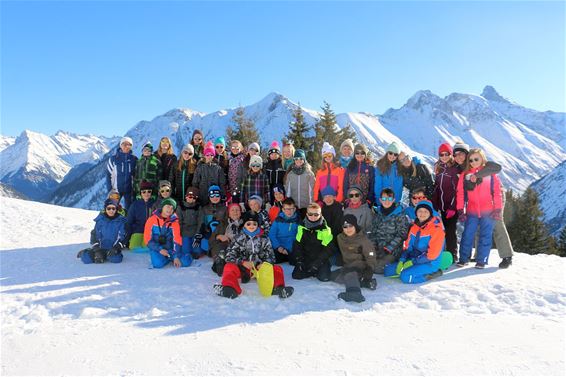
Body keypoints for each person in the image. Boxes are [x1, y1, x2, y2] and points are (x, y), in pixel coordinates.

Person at [453, 141, 514, 269]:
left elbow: (496, 168)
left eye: (462, 153)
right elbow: (461, 192)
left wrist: (477, 175)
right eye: (456, 154)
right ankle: (476, 256)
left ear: (467, 153)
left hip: (492, 200)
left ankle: (506, 256)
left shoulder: (483, 165)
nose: (459, 157)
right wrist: (460, 209)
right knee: (472, 230)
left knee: (496, 225)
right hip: (474, 206)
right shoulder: (461, 168)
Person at [214, 211, 294, 299]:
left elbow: (271, 256)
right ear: (244, 225)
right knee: (229, 267)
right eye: (248, 224)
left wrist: (264, 264)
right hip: (243, 269)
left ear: (258, 225)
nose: (251, 226)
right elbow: (229, 256)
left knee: (277, 269)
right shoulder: (238, 238)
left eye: (254, 224)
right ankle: (230, 288)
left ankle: (278, 288)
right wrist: (242, 262)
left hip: (260, 269)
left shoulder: (264, 238)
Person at [384, 200, 445, 283]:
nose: (422, 214)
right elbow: (408, 247)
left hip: (429, 262)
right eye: (420, 211)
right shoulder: (414, 227)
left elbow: (432, 255)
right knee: (388, 271)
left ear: (430, 213)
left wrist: (413, 262)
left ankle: (432, 274)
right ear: (416, 213)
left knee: (405, 277)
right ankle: (412, 269)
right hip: (414, 258)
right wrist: (402, 259)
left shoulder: (436, 230)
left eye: (425, 211)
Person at [333, 214, 378, 303]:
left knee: (350, 274)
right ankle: (365, 282)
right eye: (345, 227)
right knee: (333, 276)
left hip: (361, 267)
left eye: (351, 226)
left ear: (355, 226)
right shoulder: (340, 238)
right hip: (348, 266)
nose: (348, 229)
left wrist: (370, 269)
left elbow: (371, 255)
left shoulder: (363, 239)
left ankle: (354, 293)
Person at [368, 188, 410, 274]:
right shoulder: (378, 213)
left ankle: (395, 265)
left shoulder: (399, 214)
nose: (386, 201)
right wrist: (373, 247)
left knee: (377, 268)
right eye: (384, 199)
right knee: (367, 263)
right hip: (379, 248)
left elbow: (402, 234)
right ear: (380, 200)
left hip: (393, 250)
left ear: (393, 200)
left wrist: (388, 248)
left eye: (389, 199)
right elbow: (373, 232)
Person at [291, 203, 335, 282]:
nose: (313, 217)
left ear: (320, 214)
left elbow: (329, 249)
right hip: (306, 258)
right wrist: (299, 260)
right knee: (296, 275)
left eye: (316, 214)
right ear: (307, 214)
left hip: (320, 259)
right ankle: (311, 271)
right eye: (310, 214)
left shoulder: (325, 229)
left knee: (324, 278)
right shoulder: (302, 227)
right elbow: (297, 245)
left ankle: (315, 270)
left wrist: (317, 263)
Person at [432, 142, 460, 262]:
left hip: (451, 207)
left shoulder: (454, 169)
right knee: (441, 231)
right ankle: (444, 253)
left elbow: (457, 190)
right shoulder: (438, 168)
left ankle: (453, 254)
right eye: (441, 154)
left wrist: (453, 207)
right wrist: (435, 206)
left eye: (446, 154)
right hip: (442, 207)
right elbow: (437, 188)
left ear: (451, 154)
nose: (444, 156)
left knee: (450, 231)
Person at [144, 198, 191, 268]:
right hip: (157, 249)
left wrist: (175, 256)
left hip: (170, 249)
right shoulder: (151, 220)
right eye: (168, 206)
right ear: (162, 207)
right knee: (157, 264)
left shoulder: (175, 222)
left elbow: (177, 241)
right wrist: (159, 249)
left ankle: (174, 257)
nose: (170, 210)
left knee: (185, 262)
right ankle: (167, 258)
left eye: (172, 208)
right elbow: (147, 239)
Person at [78, 199, 127, 264]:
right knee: (87, 259)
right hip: (100, 247)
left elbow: (123, 236)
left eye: (113, 208)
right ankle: (86, 252)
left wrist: (116, 248)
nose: (111, 210)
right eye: (108, 208)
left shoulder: (120, 221)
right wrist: (97, 250)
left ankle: (104, 256)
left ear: (116, 209)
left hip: (112, 248)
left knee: (116, 259)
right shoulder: (100, 220)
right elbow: (94, 234)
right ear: (105, 209)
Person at [193, 185, 227, 258]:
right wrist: (198, 235)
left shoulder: (224, 209)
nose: (215, 198)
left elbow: (226, 224)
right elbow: (201, 223)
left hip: (219, 237)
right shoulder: (205, 209)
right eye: (212, 195)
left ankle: (214, 251)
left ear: (220, 196)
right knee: (197, 250)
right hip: (207, 236)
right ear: (209, 196)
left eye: (217, 195)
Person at [211, 203, 244, 276]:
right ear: (229, 213)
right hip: (225, 246)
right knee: (220, 247)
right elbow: (212, 238)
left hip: (239, 248)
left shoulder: (245, 224)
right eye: (232, 210)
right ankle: (219, 262)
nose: (235, 212)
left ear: (240, 213)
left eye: (237, 210)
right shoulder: (223, 224)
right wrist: (219, 236)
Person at [106, 136, 137, 210]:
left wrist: (135, 189)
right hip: (116, 190)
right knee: (112, 208)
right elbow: (108, 174)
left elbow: (136, 175)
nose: (126, 146)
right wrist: (110, 189)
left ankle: (127, 221)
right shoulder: (113, 159)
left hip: (129, 190)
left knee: (129, 210)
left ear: (131, 146)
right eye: (124, 144)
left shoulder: (134, 159)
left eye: (129, 144)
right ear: (121, 145)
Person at [126, 181, 156, 251]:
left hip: (150, 231)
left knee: (147, 247)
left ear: (151, 193)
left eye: (149, 191)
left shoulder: (154, 204)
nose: (146, 193)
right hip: (138, 230)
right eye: (144, 192)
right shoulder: (135, 205)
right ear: (140, 193)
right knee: (133, 247)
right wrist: (128, 237)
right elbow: (129, 222)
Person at [285, 149, 315, 219]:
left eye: (301, 159)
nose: (298, 160)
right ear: (294, 160)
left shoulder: (309, 173)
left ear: (304, 160)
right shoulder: (290, 174)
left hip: (306, 205)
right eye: (296, 159)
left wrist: (311, 205)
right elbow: (288, 190)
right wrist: (289, 204)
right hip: (294, 207)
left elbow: (312, 190)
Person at [269, 197, 300, 264]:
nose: (289, 211)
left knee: (295, 263)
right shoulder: (278, 220)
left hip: (291, 248)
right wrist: (278, 247)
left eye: (291, 209)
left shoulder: (297, 221)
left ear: (294, 209)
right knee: (273, 261)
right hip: (279, 248)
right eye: (286, 209)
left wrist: (291, 249)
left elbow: (299, 236)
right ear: (283, 209)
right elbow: (272, 234)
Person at [176, 187, 202, 260]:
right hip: (185, 231)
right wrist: (179, 233)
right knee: (186, 251)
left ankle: (196, 250)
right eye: (190, 197)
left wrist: (198, 233)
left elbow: (200, 220)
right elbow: (179, 221)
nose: (191, 199)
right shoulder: (181, 207)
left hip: (195, 231)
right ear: (186, 197)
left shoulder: (198, 207)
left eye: (194, 198)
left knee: (197, 252)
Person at [227, 140, 247, 204]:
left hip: (239, 187)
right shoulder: (229, 159)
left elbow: (244, 174)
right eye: (233, 148)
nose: (235, 149)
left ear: (240, 149)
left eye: (237, 148)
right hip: (230, 187)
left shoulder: (243, 159)